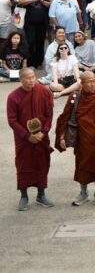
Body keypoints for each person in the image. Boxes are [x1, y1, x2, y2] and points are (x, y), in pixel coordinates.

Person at [55, 70, 95, 206]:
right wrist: (61, 137)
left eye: (94, 80)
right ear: (82, 84)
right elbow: (64, 118)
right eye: (89, 81)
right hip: (81, 140)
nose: (92, 84)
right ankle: (83, 193)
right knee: (82, 166)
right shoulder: (75, 97)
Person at [7, 68, 55, 210]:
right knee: (23, 165)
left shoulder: (44, 92)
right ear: (21, 79)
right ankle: (24, 196)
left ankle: (41, 195)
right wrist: (27, 135)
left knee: (42, 163)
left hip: (41, 138)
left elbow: (49, 114)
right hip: (23, 140)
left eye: (33, 77)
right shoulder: (13, 97)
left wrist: (44, 132)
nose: (31, 80)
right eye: (27, 78)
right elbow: (12, 120)